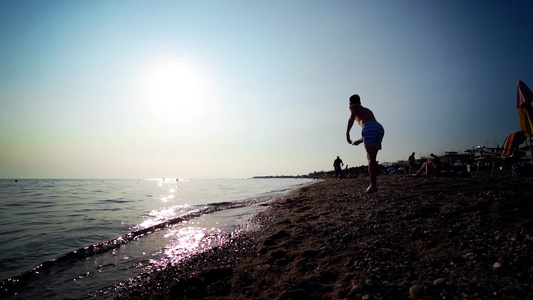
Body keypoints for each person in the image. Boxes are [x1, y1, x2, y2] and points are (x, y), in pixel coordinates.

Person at [346, 94, 385, 193]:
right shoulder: (367, 110)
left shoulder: (352, 107)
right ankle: (373, 184)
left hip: (369, 128)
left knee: (370, 159)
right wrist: (359, 141)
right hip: (379, 128)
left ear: (350, 102)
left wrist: (347, 133)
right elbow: (370, 129)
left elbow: (352, 118)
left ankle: (373, 186)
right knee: (373, 159)